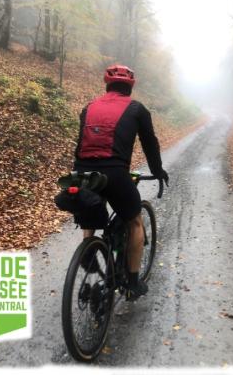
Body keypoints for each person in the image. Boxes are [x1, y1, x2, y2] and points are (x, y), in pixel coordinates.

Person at [73, 64, 168, 301]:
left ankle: (89, 246)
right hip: (115, 172)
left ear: (107, 85)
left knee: (91, 204)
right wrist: (157, 171)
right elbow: (150, 144)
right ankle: (133, 284)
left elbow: (81, 144)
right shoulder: (137, 109)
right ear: (130, 88)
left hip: (83, 170)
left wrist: (81, 170)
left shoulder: (89, 107)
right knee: (135, 221)